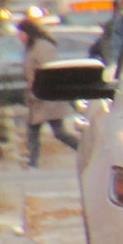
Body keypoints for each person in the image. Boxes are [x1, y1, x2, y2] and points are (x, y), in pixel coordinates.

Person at [19, 17, 81, 168]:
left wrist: (41, 88)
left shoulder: (42, 47)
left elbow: (51, 70)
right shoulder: (31, 47)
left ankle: (83, 148)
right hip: (38, 98)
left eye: (20, 33)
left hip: (47, 98)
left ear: (28, 33)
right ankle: (32, 163)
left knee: (58, 132)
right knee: (34, 131)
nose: (19, 37)